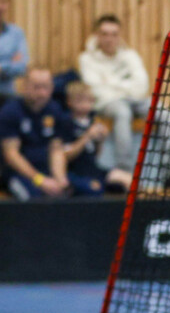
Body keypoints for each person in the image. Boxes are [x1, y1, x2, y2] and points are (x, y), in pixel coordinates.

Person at [78, 15, 152, 174]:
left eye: (114, 34)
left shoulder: (131, 56)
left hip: (135, 99)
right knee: (122, 112)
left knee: (163, 113)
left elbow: (142, 86)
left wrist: (110, 82)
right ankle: (125, 170)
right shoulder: (86, 59)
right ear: (97, 36)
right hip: (108, 103)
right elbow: (96, 91)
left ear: (119, 36)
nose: (109, 39)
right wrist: (126, 86)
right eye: (104, 34)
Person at [0, 67, 71, 200]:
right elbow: (11, 155)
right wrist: (39, 180)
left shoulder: (55, 110)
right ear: (24, 86)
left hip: (47, 169)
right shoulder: (10, 111)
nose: (42, 93)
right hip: (18, 174)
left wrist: (60, 178)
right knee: (33, 199)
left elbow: (56, 149)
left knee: (81, 191)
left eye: (46, 87)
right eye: (36, 87)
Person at [61, 80, 131, 195]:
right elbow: (66, 156)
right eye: (80, 101)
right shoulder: (66, 123)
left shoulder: (92, 121)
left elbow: (95, 155)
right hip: (76, 172)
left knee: (130, 180)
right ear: (69, 101)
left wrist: (100, 141)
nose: (85, 105)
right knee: (95, 188)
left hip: (93, 169)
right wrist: (87, 136)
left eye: (89, 101)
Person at [0, 0, 29, 105]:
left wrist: (1, 68)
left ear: (7, 5)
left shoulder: (16, 34)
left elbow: (21, 67)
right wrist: (9, 63)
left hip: (8, 98)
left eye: (2, 1)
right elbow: (14, 66)